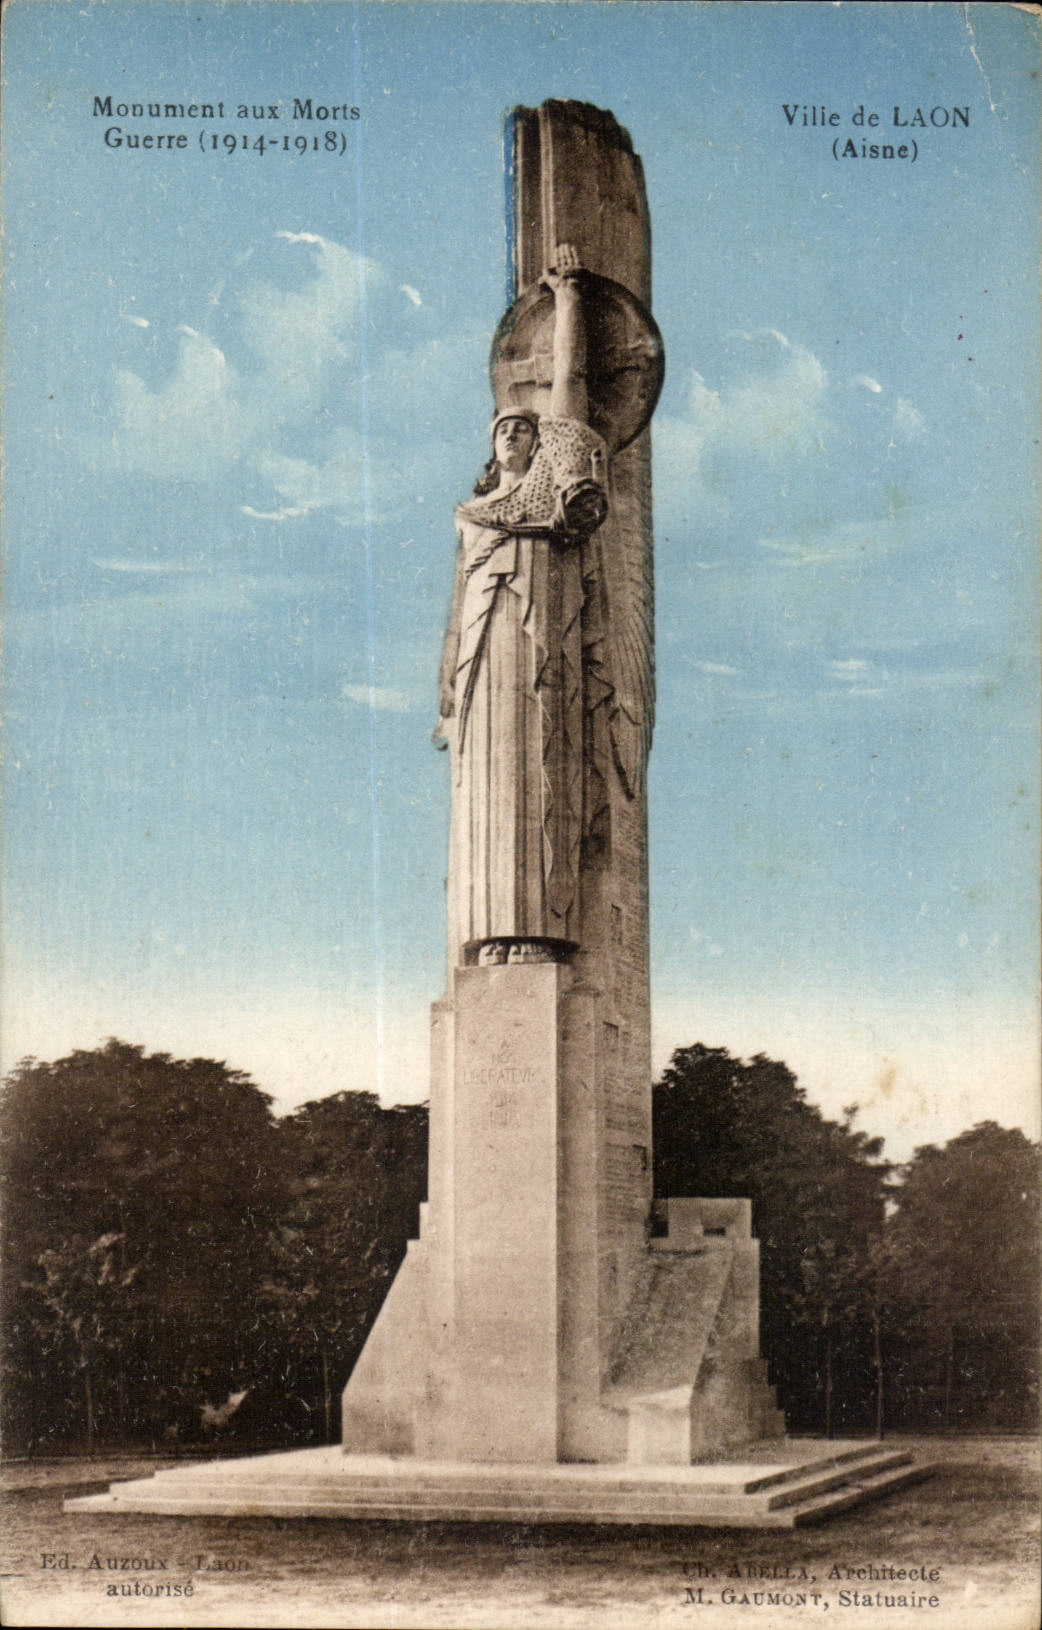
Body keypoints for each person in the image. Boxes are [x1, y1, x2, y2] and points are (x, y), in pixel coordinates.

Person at [437, 247, 608, 966]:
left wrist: (568, 297)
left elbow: (565, 395)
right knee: (485, 796)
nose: (516, 432)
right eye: (505, 428)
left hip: (541, 652)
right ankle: (489, 934)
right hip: (483, 671)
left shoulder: (551, 501)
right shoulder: (475, 515)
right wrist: (446, 700)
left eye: (526, 429)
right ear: (491, 447)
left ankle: (540, 932)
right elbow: (454, 616)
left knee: (542, 773)